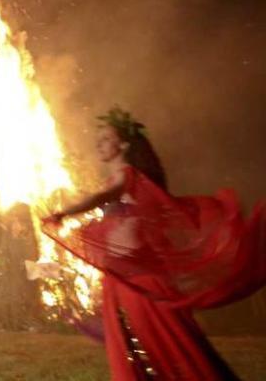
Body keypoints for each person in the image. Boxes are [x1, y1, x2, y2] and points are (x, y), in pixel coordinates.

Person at [43, 107, 266, 380]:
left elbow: (102, 198)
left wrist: (65, 213)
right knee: (134, 346)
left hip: (139, 283)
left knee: (165, 347)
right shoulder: (123, 179)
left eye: (106, 138)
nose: (98, 144)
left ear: (123, 144)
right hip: (121, 280)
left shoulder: (127, 176)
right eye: (98, 138)